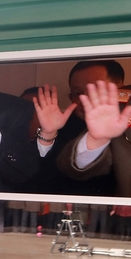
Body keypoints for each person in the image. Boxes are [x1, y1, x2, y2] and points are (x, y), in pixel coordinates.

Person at [55, 64, 131, 196]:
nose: (86, 100)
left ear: (119, 89)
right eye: (78, 93)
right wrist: (97, 140)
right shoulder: (66, 128)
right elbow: (71, 167)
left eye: (95, 91)